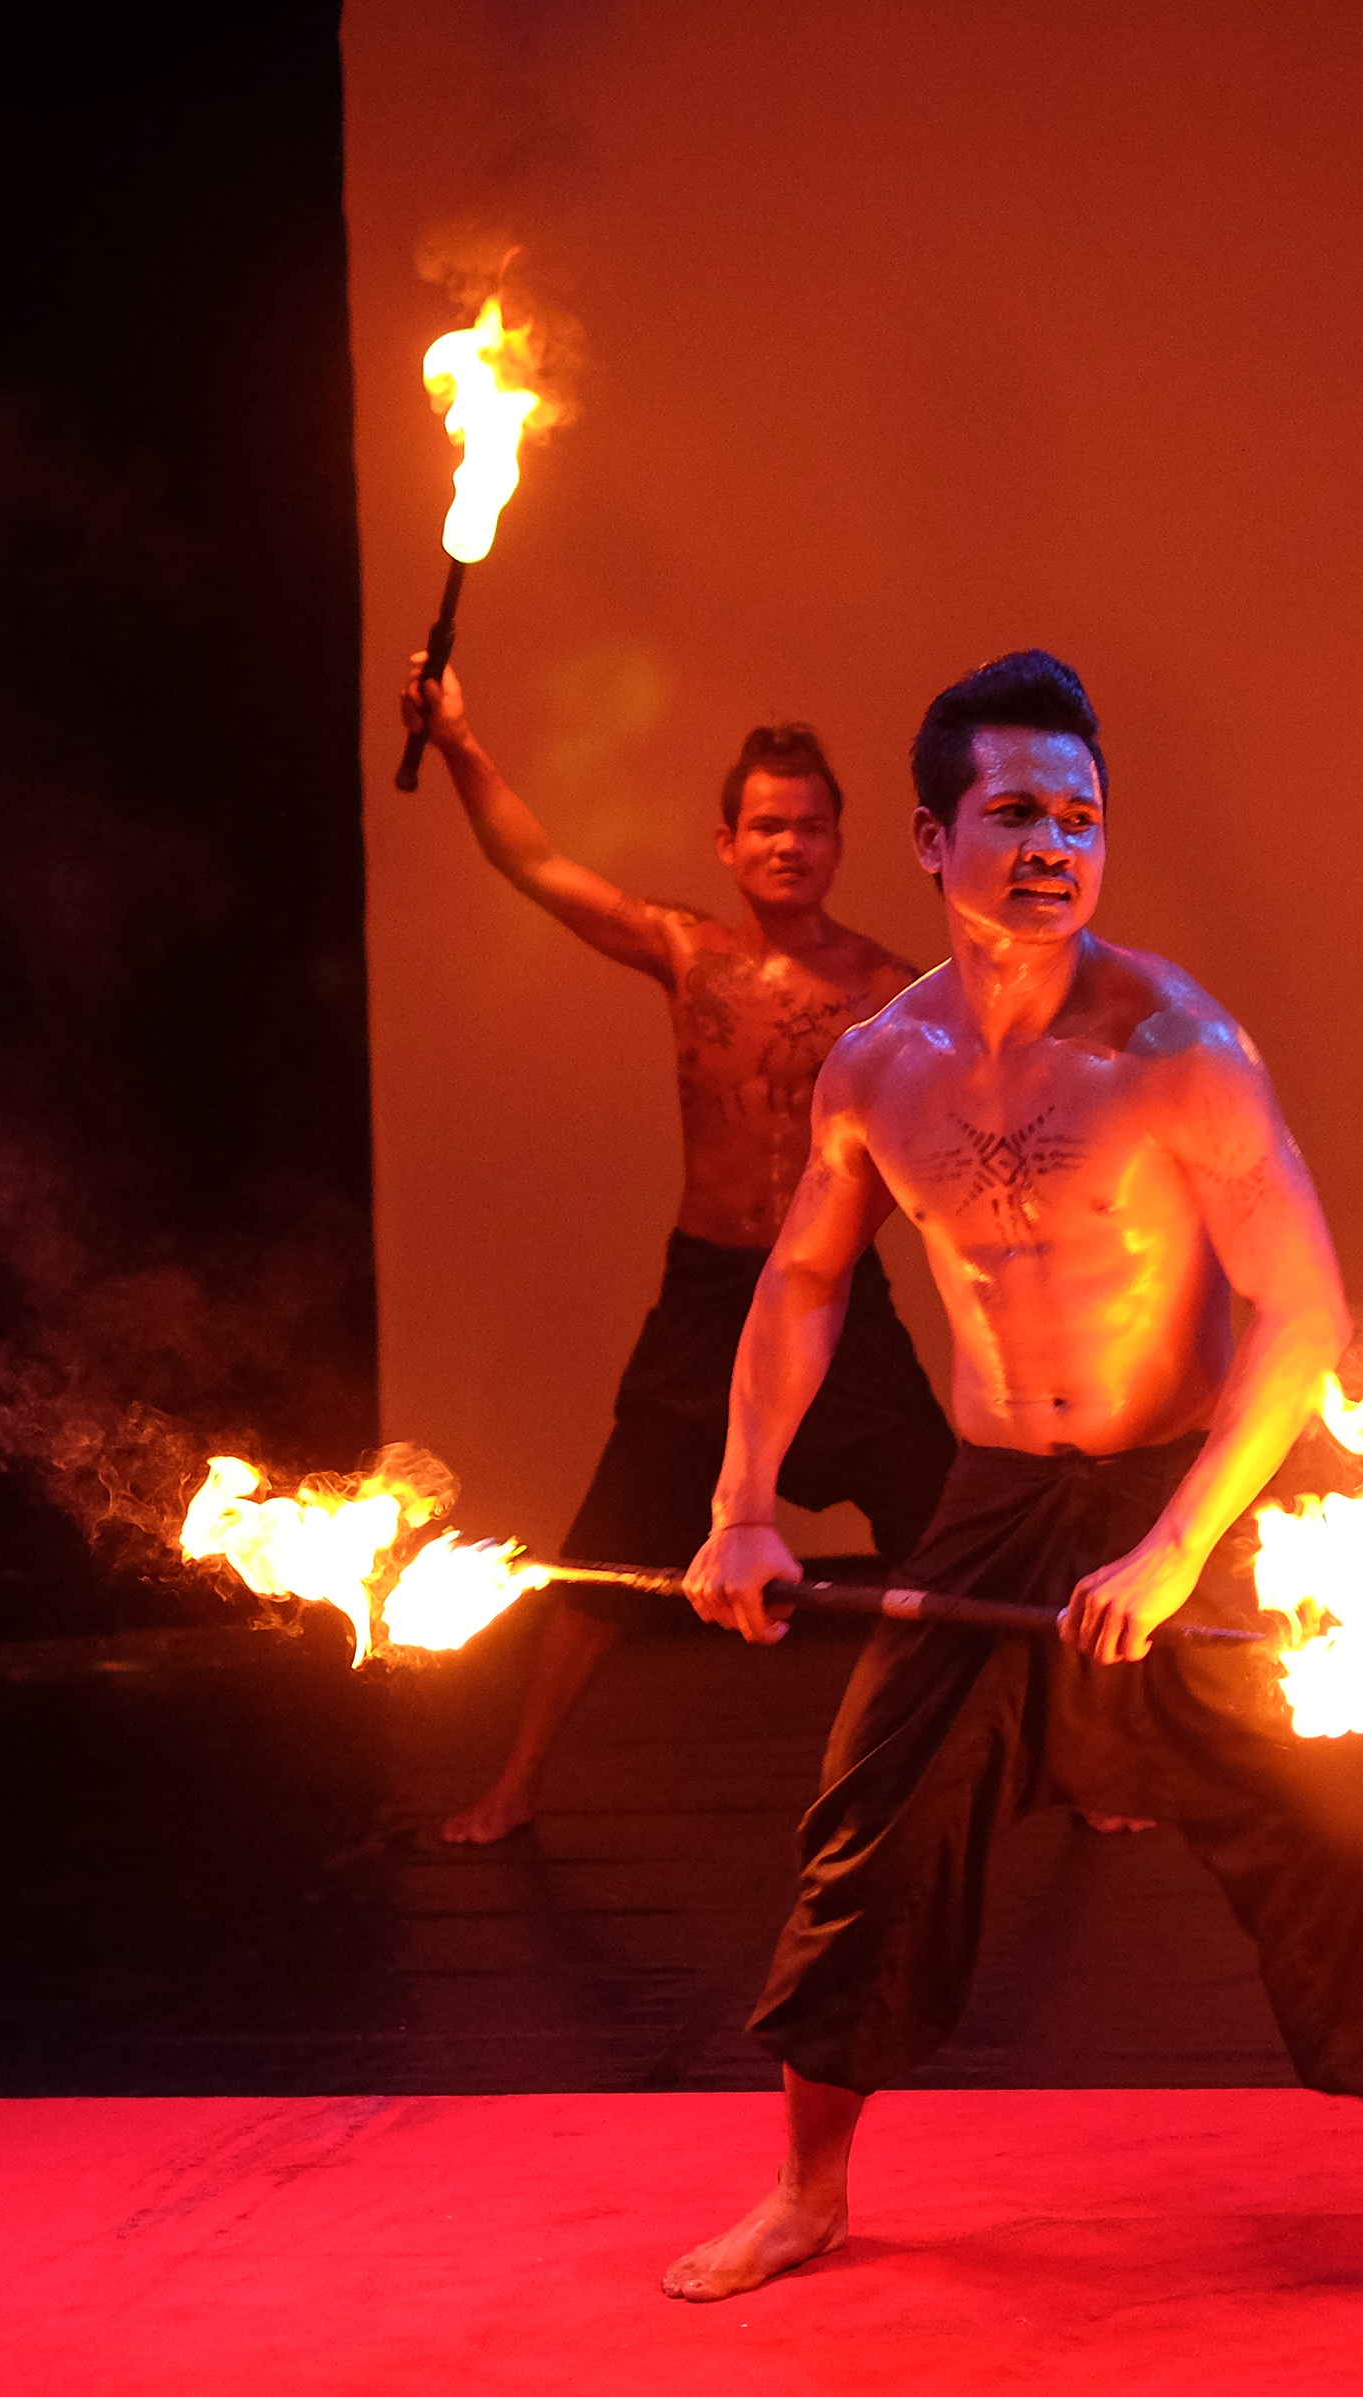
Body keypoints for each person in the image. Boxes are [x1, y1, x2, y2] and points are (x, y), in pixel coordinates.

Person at [663, 651, 1363, 2375]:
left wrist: (1177, 1542)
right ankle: (807, 2194)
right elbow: (805, 1284)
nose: (1056, 843)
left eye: (1081, 815)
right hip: (998, 1492)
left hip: (1185, 1485)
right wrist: (739, 1506)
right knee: (873, 1834)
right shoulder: (877, 1067)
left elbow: (1301, 1314)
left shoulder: (1179, 1048)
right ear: (931, 834)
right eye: (1017, 812)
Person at [400, 662, 958, 1845]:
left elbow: (969, 1118)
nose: (788, 844)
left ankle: (1069, 1767)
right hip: (709, 1297)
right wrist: (453, 737)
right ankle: (520, 1780)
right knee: (611, 1542)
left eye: (809, 825)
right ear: (727, 842)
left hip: (838, 1298)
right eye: (767, 825)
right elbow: (533, 865)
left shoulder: (892, 993)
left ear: (838, 841)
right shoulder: (687, 954)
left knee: (955, 1541)